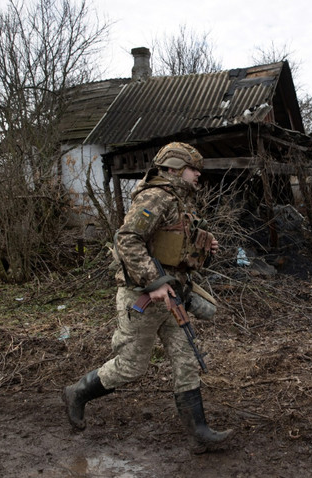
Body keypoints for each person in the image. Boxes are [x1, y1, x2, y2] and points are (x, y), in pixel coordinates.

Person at [62, 142, 233, 454]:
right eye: (194, 168)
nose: (198, 175)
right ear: (175, 167)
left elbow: (171, 246)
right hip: (143, 297)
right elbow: (127, 239)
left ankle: (200, 431)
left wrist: (202, 246)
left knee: (186, 360)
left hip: (174, 295)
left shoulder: (181, 201)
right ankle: (77, 393)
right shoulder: (156, 196)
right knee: (131, 366)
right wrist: (153, 282)